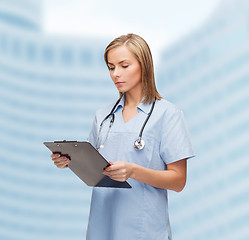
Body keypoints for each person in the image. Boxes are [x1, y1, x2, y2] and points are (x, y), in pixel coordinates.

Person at [51, 33, 194, 240]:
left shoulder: (167, 114)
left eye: (124, 66)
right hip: (102, 226)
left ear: (143, 65)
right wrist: (68, 161)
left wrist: (133, 171)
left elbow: (178, 181)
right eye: (111, 67)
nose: (116, 74)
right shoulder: (102, 116)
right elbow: (92, 168)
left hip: (144, 229)